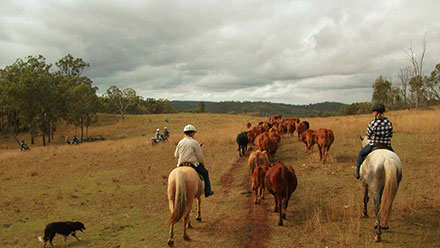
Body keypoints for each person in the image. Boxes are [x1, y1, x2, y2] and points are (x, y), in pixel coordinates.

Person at [355, 103, 393, 179]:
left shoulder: (372, 123)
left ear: (376, 112)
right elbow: (391, 135)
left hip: (374, 145)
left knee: (361, 154)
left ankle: (358, 173)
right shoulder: (388, 122)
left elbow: (369, 136)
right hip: (387, 145)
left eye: (373, 111)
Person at [174, 124, 214, 197]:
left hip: (180, 164)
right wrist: (202, 163)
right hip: (192, 164)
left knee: (173, 175)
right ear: (192, 133)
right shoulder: (194, 142)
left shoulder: (180, 142)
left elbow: (175, 155)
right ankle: (208, 191)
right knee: (205, 173)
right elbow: (199, 157)